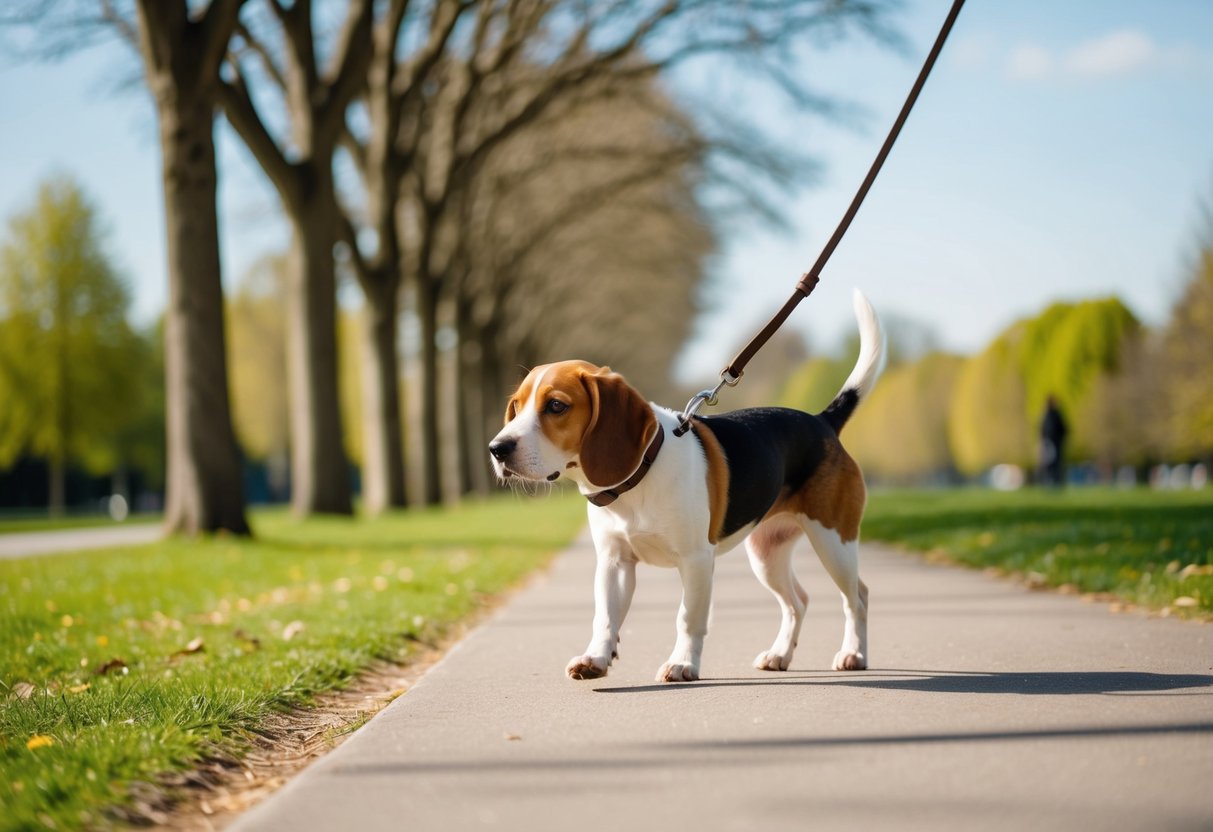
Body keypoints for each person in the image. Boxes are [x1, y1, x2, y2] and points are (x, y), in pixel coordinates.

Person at [1039, 395, 1068, 487]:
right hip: (1050, 443)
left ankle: (1055, 482)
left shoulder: (1050, 415)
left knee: (1054, 464)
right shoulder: (1049, 415)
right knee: (1051, 464)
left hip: (1054, 443)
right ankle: (1051, 482)